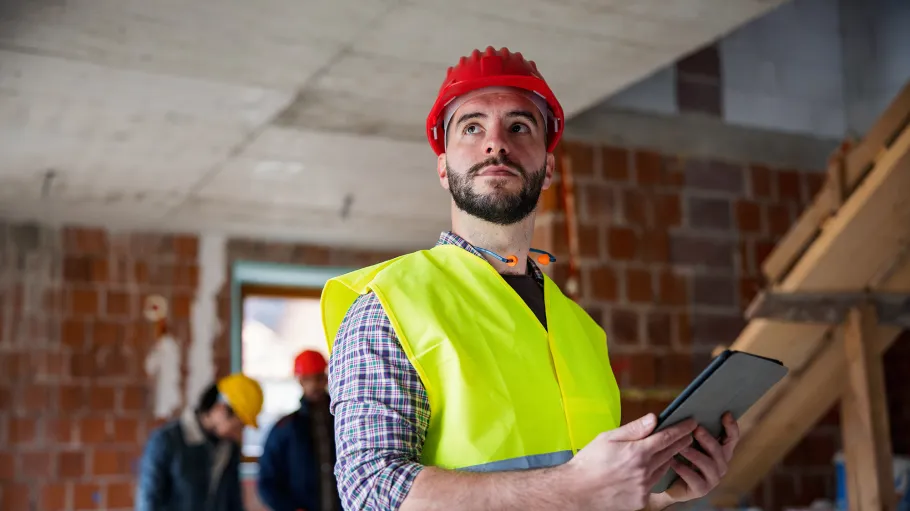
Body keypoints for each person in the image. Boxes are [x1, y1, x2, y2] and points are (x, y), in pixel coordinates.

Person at [320, 46, 742, 511]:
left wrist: (663, 495)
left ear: (547, 170)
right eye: (472, 126)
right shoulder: (388, 306)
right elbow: (370, 490)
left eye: (519, 127)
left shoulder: (582, 330)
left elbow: (592, 495)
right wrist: (571, 487)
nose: (495, 143)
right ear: (443, 167)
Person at [136, 372, 264, 511]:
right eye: (238, 425)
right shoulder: (166, 442)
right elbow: (149, 502)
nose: (239, 433)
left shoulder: (229, 449)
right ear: (220, 409)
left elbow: (234, 502)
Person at [257, 350, 342, 511]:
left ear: (326, 378)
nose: (314, 385)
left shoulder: (342, 421)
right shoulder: (284, 429)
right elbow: (267, 482)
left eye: (318, 378)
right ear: (300, 381)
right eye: (307, 379)